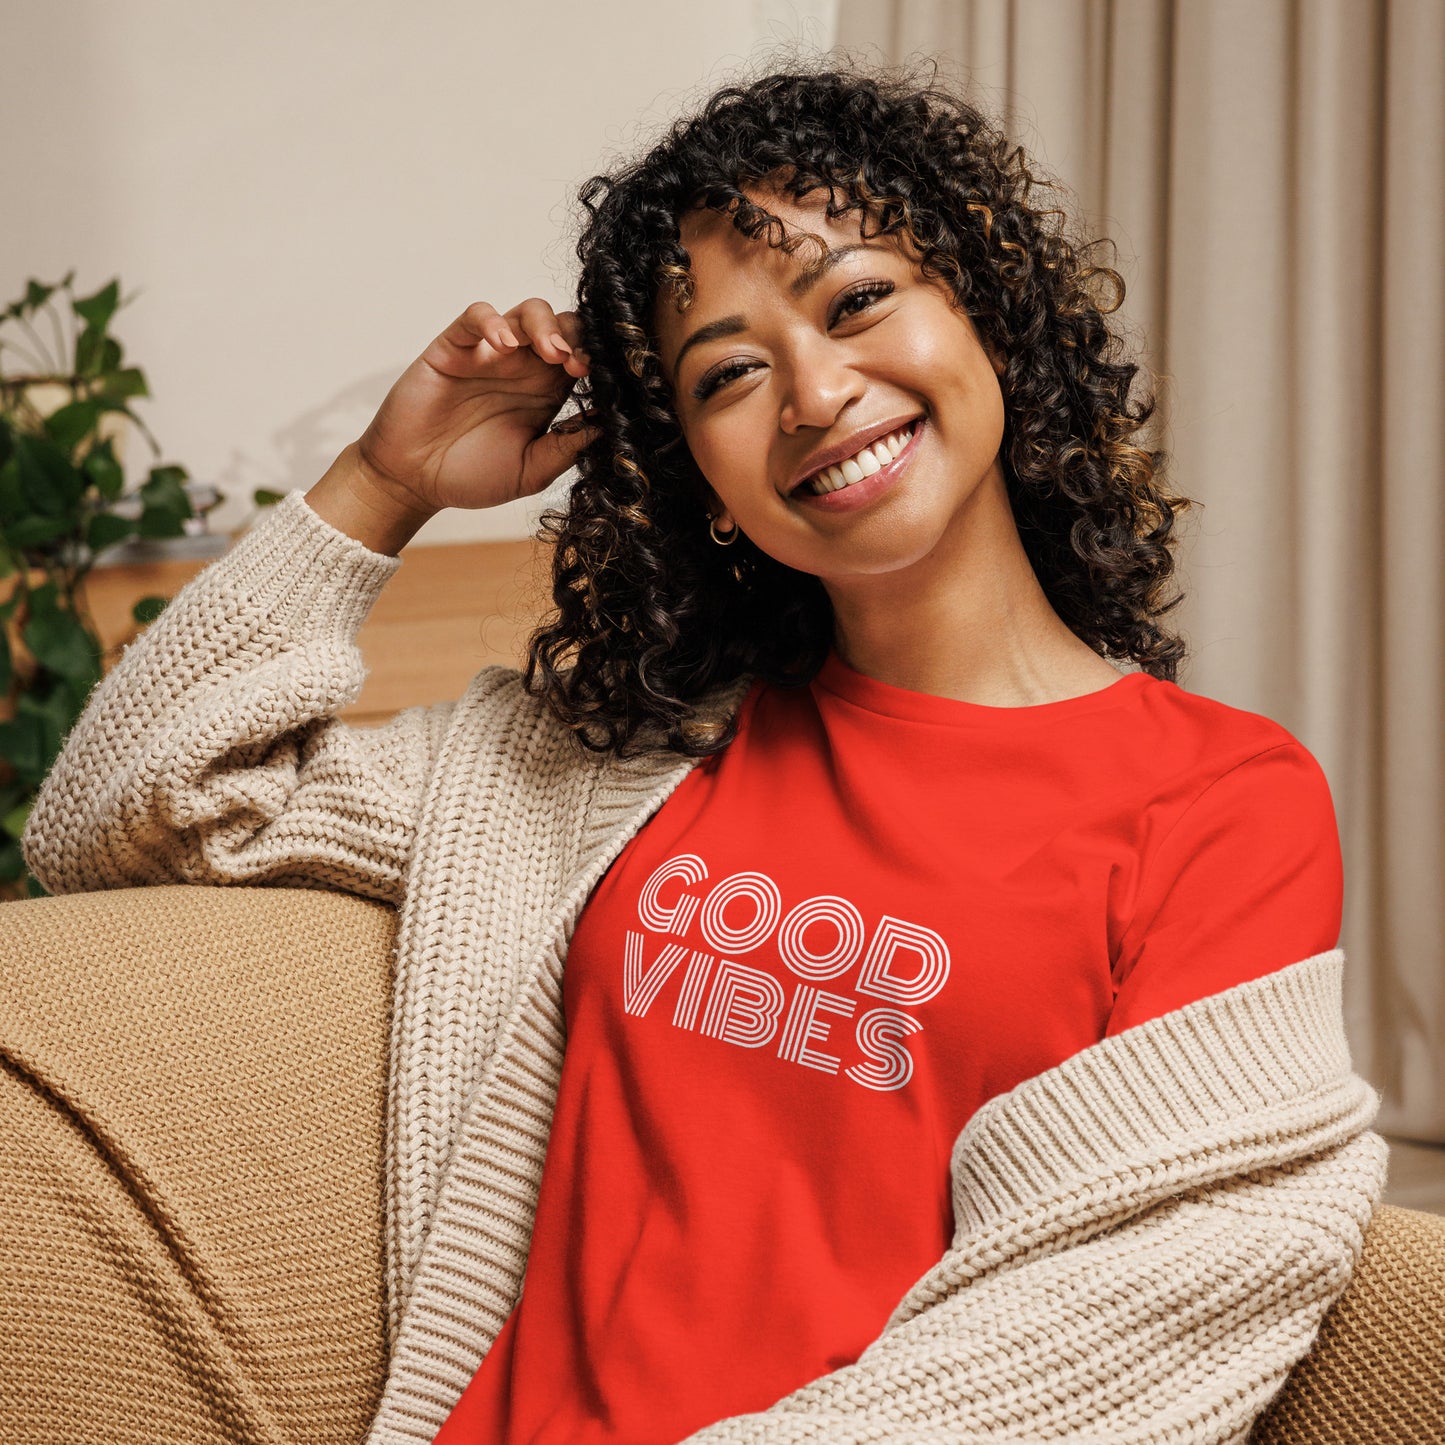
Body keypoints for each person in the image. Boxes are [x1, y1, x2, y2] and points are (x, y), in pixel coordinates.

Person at [15, 58, 1386, 1445]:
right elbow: (128, 813)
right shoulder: (614, 763)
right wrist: (382, 484)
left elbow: (1131, 1303)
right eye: (728, 371)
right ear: (703, 481)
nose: (811, 390)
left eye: (858, 300)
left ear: (986, 315)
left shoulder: (1217, 799)